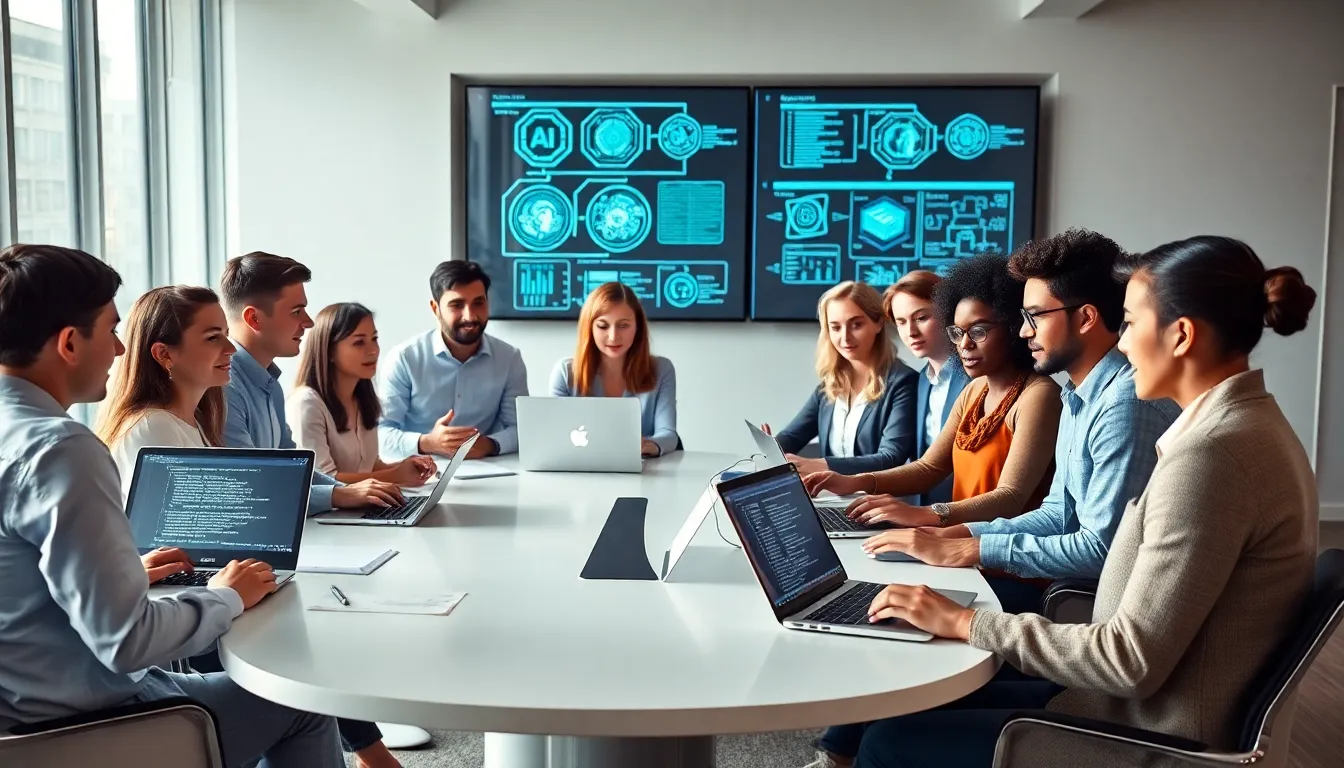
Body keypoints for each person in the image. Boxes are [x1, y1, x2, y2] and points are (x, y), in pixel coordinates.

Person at [848, 236, 1319, 768]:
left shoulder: (1212, 457)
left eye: (1132, 323)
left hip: (1150, 734)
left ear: (1181, 335)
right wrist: (959, 541)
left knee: (890, 744)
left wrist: (964, 622)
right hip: (1129, 707)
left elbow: (1129, 661)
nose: (1121, 343)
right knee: (899, 717)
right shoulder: (1236, 428)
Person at [0, 244, 343, 767]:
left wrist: (124, 574)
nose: (119, 350)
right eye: (111, 331)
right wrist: (227, 596)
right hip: (86, 723)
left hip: (23, 710)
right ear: (70, 342)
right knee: (303, 702)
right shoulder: (61, 449)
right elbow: (127, 641)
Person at [859, 230, 1182, 614]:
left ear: (1086, 318)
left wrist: (971, 546)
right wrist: (954, 534)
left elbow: (1101, 549)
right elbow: (1058, 514)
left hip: (1087, 616)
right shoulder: (1078, 396)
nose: (1024, 330)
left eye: (1035, 317)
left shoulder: (1124, 405)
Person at [804, 253, 1060, 531]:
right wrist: (856, 481)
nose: (964, 344)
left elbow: (1010, 497)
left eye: (978, 331)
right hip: (960, 543)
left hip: (1005, 556)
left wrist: (923, 515)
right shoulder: (975, 390)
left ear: (1013, 328)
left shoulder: (1039, 395)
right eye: (957, 332)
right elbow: (929, 468)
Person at [220, 252, 403, 515]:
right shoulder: (225, 387)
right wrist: (339, 494)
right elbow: (251, 486)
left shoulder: (270, 385)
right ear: (254, 319)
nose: (308, 322)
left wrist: (349, 492)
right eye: (296, 311)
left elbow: (294, 467)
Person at [379, 260, 528, 460]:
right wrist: (427, 442)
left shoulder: (509, 358)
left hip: (490, 471)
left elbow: (520, 428)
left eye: (479, 303)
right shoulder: (404, 359)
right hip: (418, 475)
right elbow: (379, 435)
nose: (470, 316)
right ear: (435, 308)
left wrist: (490, 444)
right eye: (457, 305)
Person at [96, 286, 234, 498]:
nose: (231, 348)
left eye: (226, 334)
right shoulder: (153, 426)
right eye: (213, 337)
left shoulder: (194, 420)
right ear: (164, 354)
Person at [768, 281, 918, 475]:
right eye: (836, 327)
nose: (845, 337)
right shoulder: (830, 385)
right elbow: (792, 436)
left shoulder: (903, 382)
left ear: (879, 323)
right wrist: (771, 451)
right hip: (832, 497)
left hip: (878, 499)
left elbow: (891, 457)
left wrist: (822, 465)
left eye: (856, 325)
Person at [287, 302, 437, 485]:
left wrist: (407, 466)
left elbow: (369, 465)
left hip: (363, 508)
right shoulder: (306, 404)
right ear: (329, 352)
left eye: (374, 339)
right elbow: (321, 480)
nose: (373, 350)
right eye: (359, 342)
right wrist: (396, 475)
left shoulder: (363, 399)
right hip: (330, 513)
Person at [548, 282, 678, 457]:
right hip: (580, 470)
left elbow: (668, 434)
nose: (613, 336)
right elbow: (554, 436)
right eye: (602, 326)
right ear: (589, 328)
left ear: (637, 327)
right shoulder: (565, 372)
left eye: (623, 325)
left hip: (643, 471)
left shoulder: (662, 369)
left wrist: (649, 445)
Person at [883, 271, 970, 505]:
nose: (910, 332)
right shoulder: (922, 380)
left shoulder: (976, 377)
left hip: (964, 512)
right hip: (925, 510)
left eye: (921, 318)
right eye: (901, 322)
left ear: (949, 314)